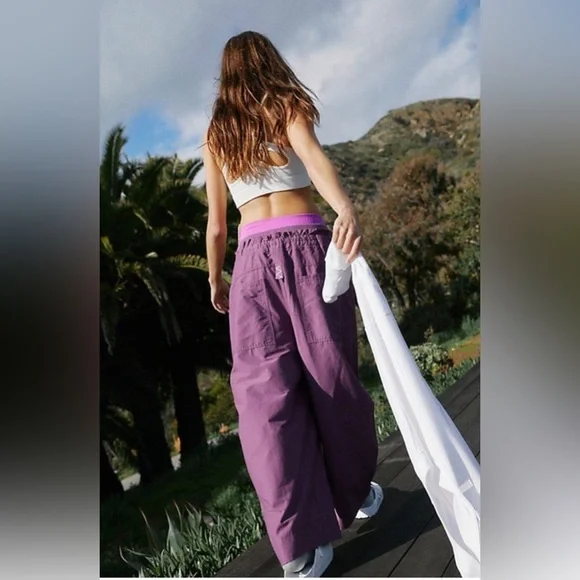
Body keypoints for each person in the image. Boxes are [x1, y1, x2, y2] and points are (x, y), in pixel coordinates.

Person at [203, 30, 382, 578]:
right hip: (306, 248)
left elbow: (216, 226)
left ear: (226, 73)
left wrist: (216, 278)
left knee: (265, 406)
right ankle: (353, 492)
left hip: (251, 266)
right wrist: (345, 208)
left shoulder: (217, 133)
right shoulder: (285, 104)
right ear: (269, 61)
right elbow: (315, 159)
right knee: (332, 379)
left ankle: (299, 548)